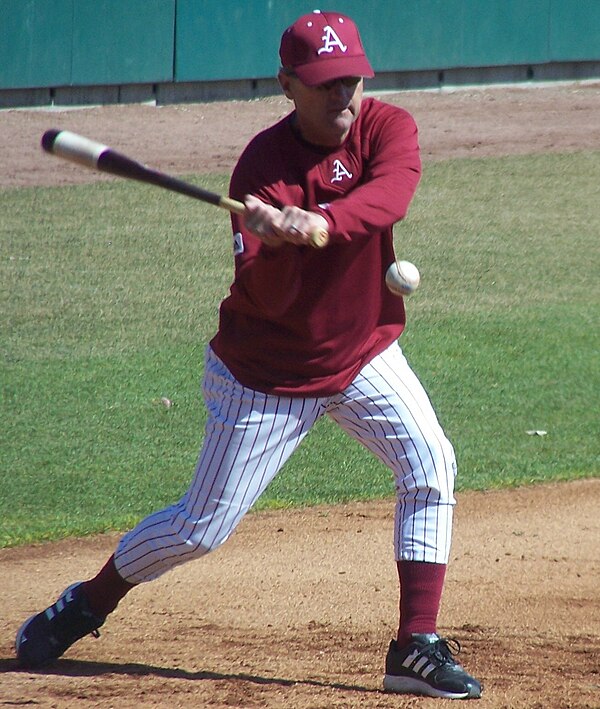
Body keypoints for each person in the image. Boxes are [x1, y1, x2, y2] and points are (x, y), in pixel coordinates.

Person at [15, 10, 481, 700]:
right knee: (200, 529)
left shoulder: (389, 127)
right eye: (324, 85)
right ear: (287, 85)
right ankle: (89, 599)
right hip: (267, 375)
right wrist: (273, 238)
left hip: (362, 353)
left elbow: (390, 195)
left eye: (351, 80)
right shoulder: (261, 171)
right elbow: (264, 301)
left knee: (429, 461)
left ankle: (415, 642)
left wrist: (322, 222)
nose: (343, 97)